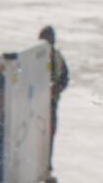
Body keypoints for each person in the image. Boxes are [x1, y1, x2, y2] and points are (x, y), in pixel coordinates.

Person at [40, 25, 70, 171]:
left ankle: (46, 165)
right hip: (38, 106)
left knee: (47, 135)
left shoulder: (55, 57)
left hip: (49, 104)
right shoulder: (36, 57)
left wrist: (55, 89)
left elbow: (64, 79)